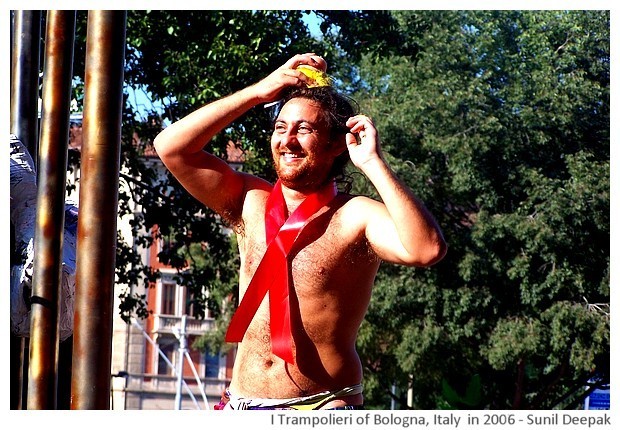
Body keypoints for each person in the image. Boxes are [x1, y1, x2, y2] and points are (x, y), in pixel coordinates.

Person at [153, 53, 447, 410]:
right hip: (242, 403)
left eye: (304, 129)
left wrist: (372, 162)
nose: (288, 140)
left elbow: (427, 249)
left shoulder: (355, 215)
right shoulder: (249, 200)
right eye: (280, 128)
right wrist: (258, 93)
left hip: (321, 405)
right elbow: (171, 147)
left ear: (336, 144)